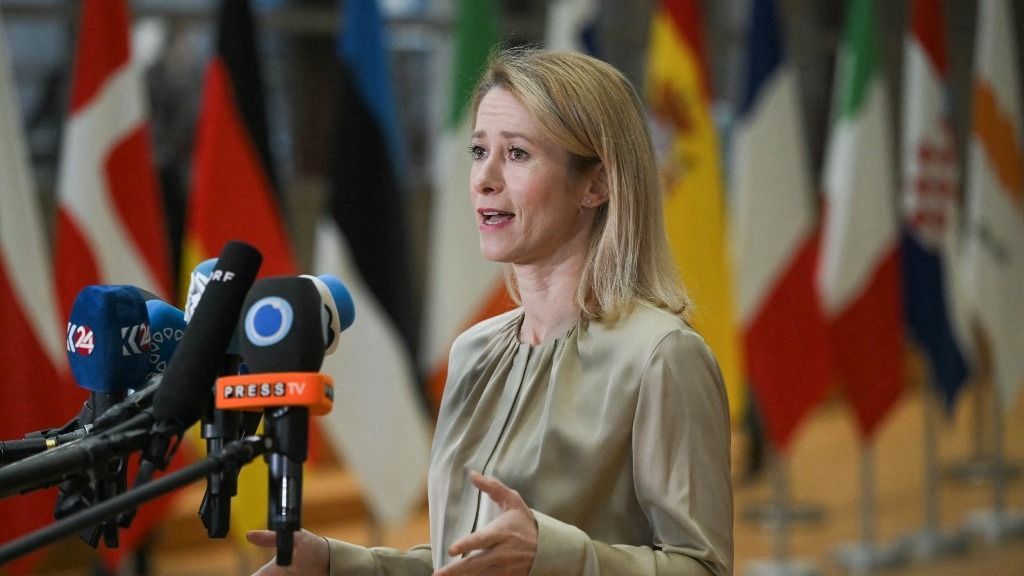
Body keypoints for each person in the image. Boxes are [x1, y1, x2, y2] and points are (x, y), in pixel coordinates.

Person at [248, 48, 733, 576]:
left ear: (597, 184)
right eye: (479, 151)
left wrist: (551, 555)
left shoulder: (661, 355)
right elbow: (466, 561)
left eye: (518, 154)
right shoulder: (475, 351)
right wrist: (338, 566)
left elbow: (702, 567)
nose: (484, 179)